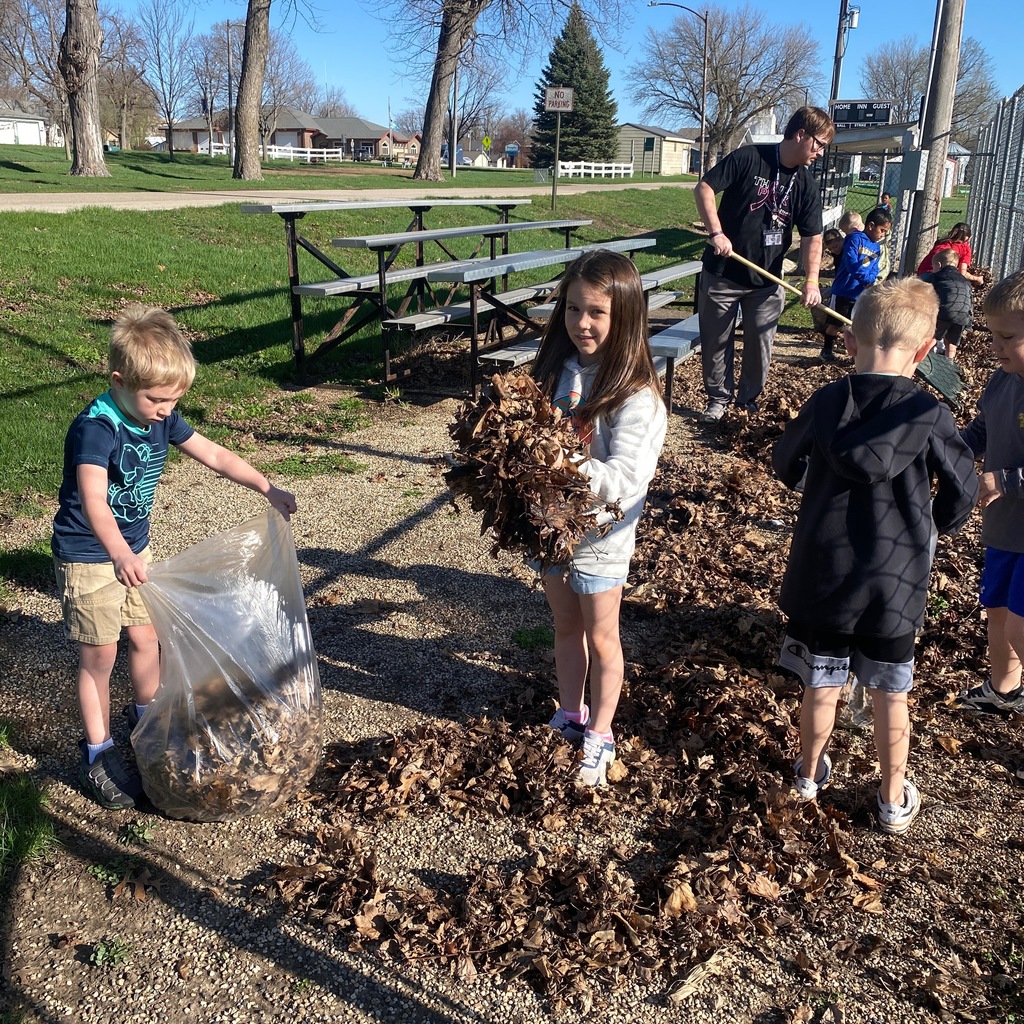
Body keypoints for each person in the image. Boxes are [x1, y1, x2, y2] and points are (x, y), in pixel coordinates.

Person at [52, 305, 298, 809]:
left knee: (146, 637)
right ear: (119, 381)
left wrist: (264, 485)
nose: (167, 410)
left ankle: (147, 721)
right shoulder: (97, 429)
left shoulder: (161, 417)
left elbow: (214, 454)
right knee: (99, 657)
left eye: (174, 400)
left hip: (131, 553)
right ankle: (97, 752)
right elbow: (93, 500)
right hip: (90, 555)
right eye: (157, 399)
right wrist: (118, 552)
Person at [773, 278, 978, 834]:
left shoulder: (827, 401)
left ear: (849, 342)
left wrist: (808, 483)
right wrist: (934, 527)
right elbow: (964, 486)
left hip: (826, 572)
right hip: (895, 580)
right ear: (926, 349)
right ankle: (891, 797)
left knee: (822, 685)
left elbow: (784, 462)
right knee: (891, 693)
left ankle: (808, 774)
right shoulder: (928, 414)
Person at [530, 250, 668, 786]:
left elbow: (626, 478)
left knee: (602, 636)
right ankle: (571, 713)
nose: (581, 324)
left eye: (597, 313)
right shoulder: (557, 370)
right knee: (566, 628)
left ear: (626, 317)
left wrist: (559, 464)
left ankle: (601, 733)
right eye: (572, 310)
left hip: (602, 539)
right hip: (552, 531)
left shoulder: (638, 398)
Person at [694, 106, 831, 422]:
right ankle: (717, 401)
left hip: (767, 282)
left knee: (761, 347)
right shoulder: (748, 157)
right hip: (722, 274)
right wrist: (716, 233)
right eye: (819, 144)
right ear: (800, 134)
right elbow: (704, 187)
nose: (821, 153)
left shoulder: (806, 185)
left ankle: (747, 402)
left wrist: (811, 280)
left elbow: (813, 237)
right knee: (716, 343)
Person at [957, 269, 1024, 714]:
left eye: (1007, 337)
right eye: (992, 334)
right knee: (998, 616)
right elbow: (982, 428)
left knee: (1021, 629)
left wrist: (1003, 480)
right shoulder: (1002, 379)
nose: (995, 346)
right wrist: (949, 452)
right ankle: (1005, 692)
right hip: (1004, 528)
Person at [819, 208, 892, 360]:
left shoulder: (876, 248)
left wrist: (871, 280)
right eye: (882, 230)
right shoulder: (854, 239)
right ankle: (826, 351)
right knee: (835, 323)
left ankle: (857, 354)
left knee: (857, 325)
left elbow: (874, 268)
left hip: (859, 294)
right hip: (843, 291)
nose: (883, 234)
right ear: (871, 225)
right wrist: (865, 279)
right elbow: (851, 263)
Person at [920, 247, 973, 360]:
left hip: (945, 312)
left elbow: (923, 288)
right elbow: (969, 300)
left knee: (932, 337)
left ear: (938, 265)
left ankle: (923, 360)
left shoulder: (936, 277)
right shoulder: (965, 281)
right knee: (951, 343)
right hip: (963, 315)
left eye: (933, 267)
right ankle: (949, 365)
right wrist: (969, 323)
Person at [915, 222, 985, 285]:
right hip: (940, 277)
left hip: (922, 275)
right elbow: (962, 273)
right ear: (969, 238)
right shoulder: (965, 248)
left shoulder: (942, 242)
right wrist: (976, 279)